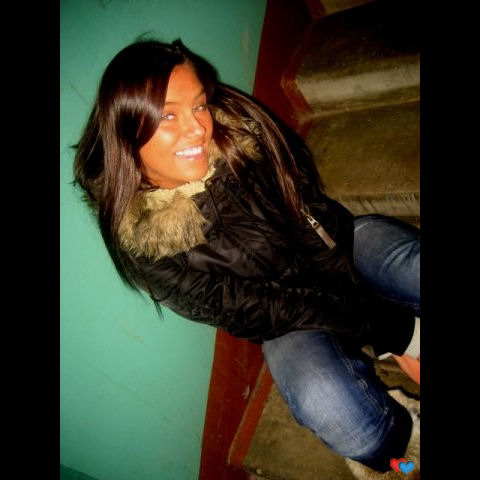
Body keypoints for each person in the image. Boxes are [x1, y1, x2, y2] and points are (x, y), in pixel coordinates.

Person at [73, 38, 420, 478]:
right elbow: (266, 309)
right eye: (167, 115)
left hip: (339, 249)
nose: (198, 129)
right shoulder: (146, 246)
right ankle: (400, 440)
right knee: (334, 409)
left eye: (199, 105)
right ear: (125, 133)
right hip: (286, 320)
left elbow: (313, 217)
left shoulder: (241, 135)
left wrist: (387, 332)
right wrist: (399, 332)